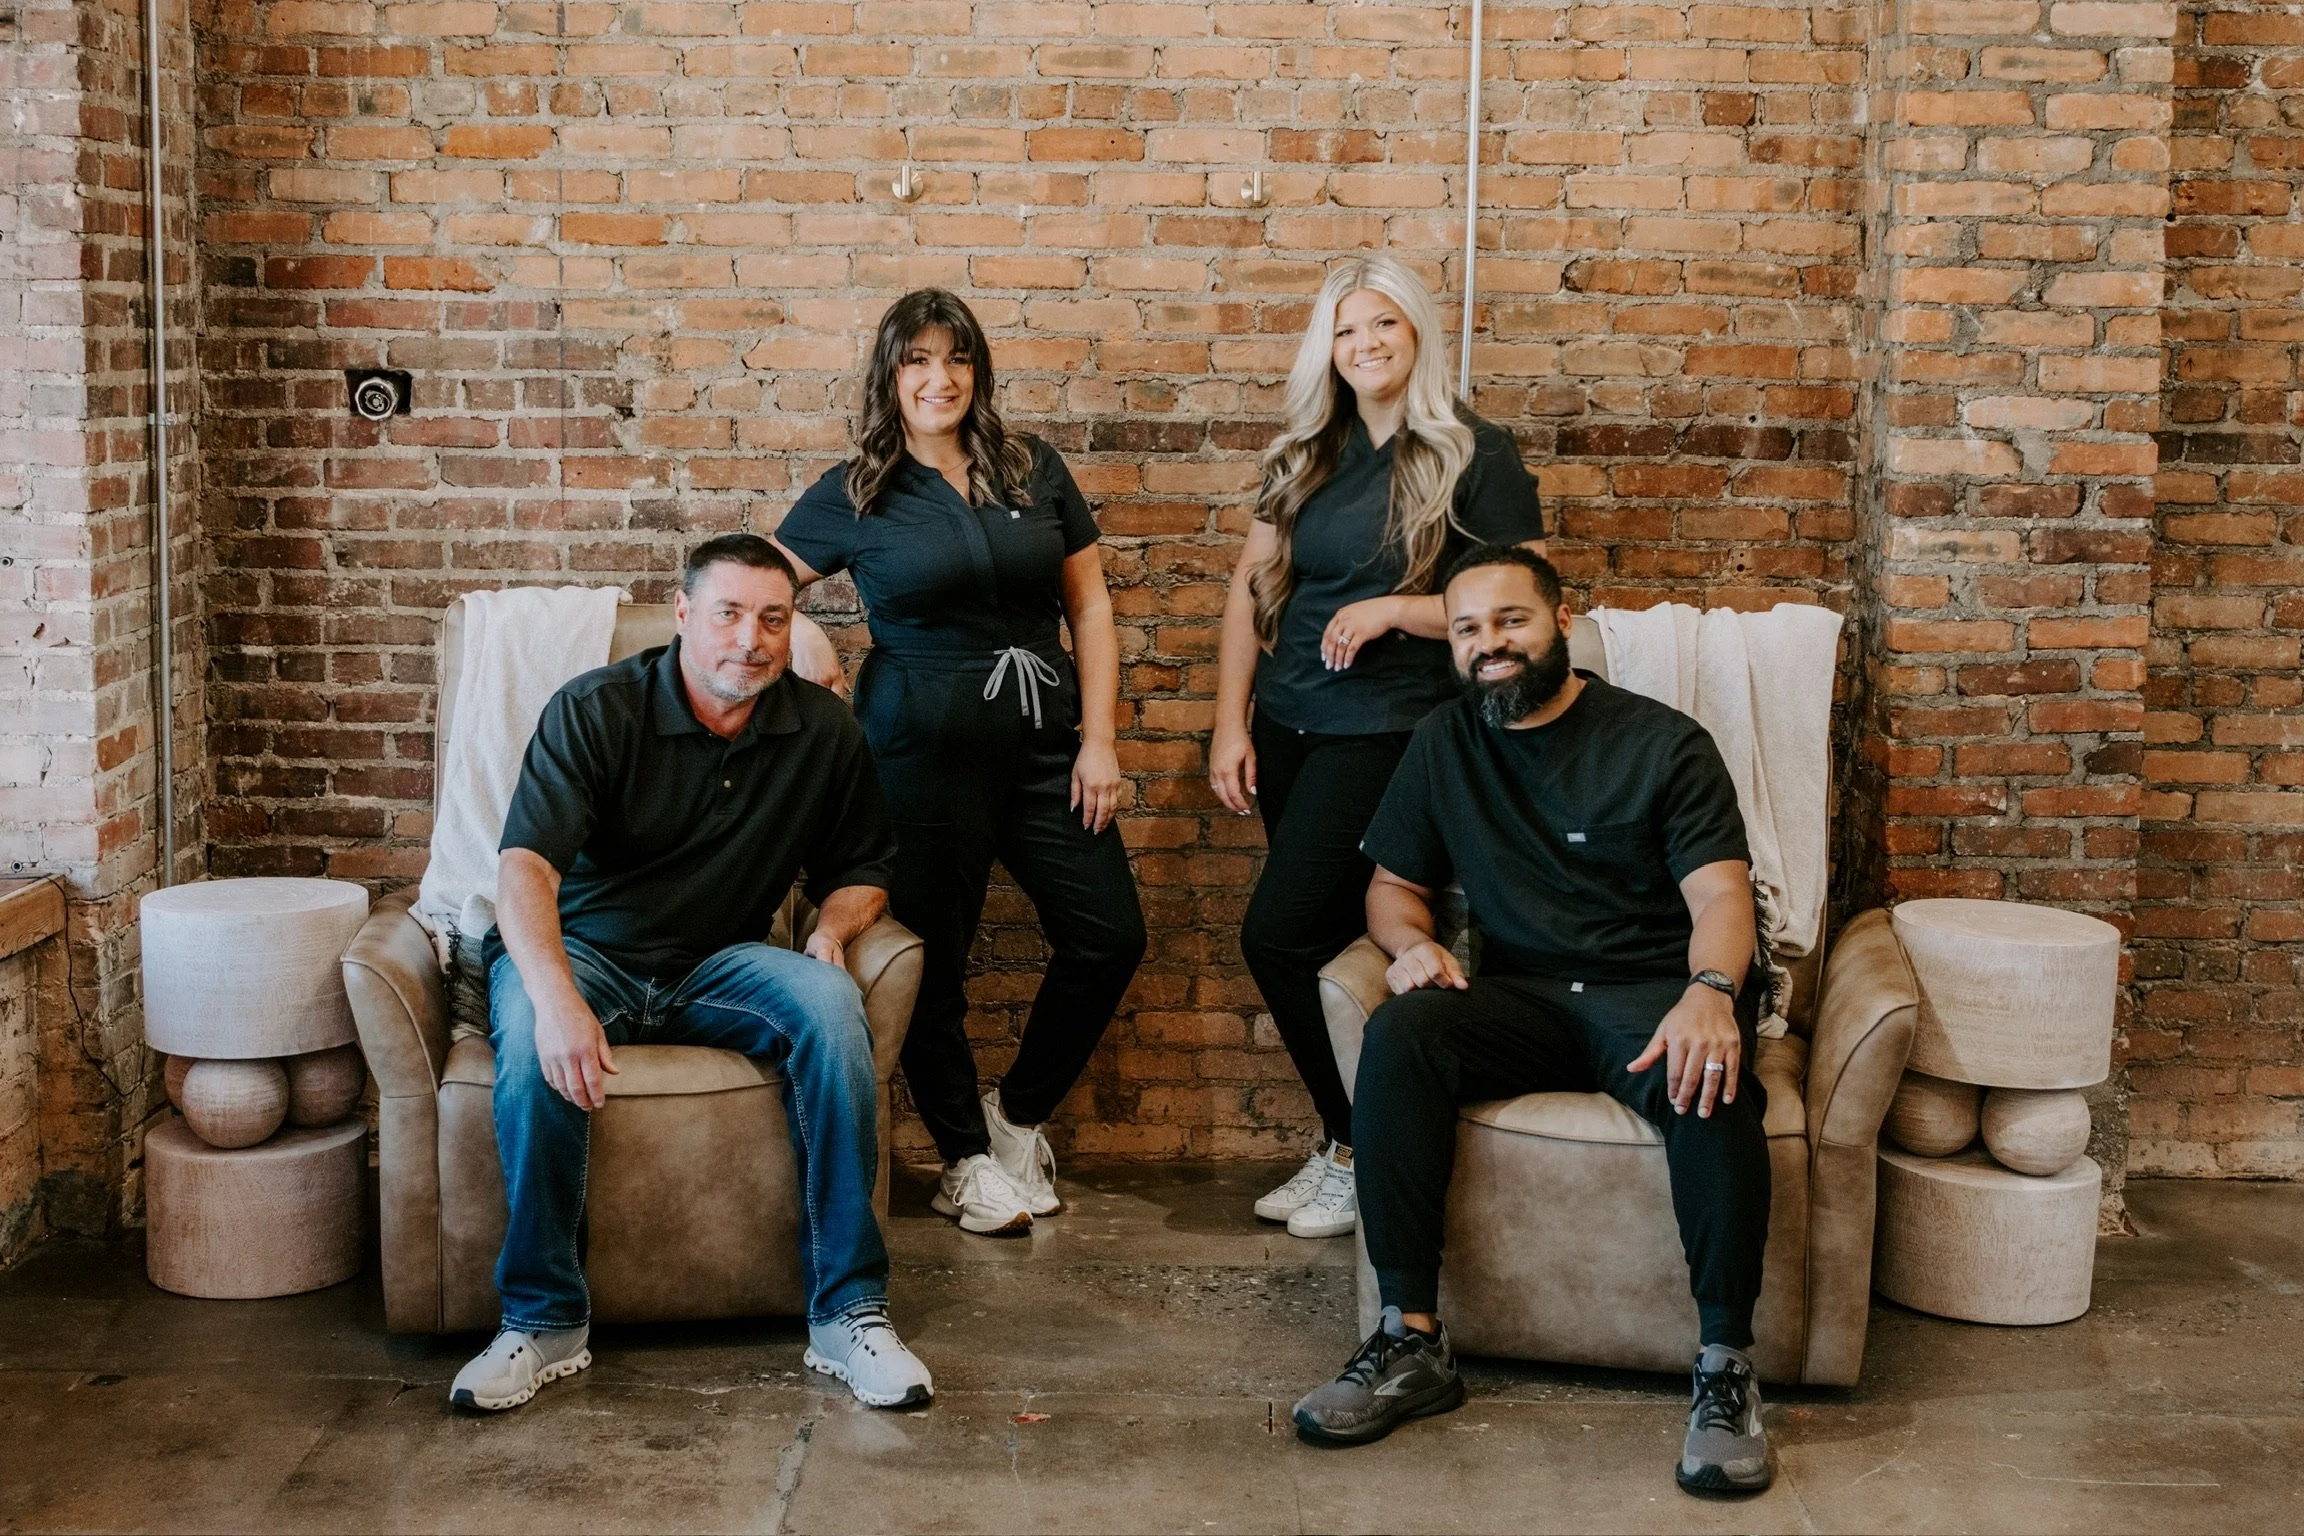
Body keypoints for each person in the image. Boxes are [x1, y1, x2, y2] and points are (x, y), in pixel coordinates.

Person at [1289, 544, 1776, 1497]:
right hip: (1524, 996)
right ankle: (1409, 1343)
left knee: (1707, 1078)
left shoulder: (1661, 741)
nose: (1489, 645)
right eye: (1468, 630)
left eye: (1510, 621)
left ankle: (1725, 1366)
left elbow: (1722, 894)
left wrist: (1713, 990)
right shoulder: (1444, 741)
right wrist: (1410, 945)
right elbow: (1393, 889)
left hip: (1652, 990)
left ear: (1560, 622)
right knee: (1402, 1032)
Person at [450, 534, 933, 1414]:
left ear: (791, 631)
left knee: (830, 1007)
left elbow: (864, 867)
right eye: (729, 614)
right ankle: (544, 1319)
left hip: (720, 962)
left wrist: (831, 930)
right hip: (586, 950)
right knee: (529, 1033)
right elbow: (524, 869)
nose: (749, 639)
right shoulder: (596, 709)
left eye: (772, 620)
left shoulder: (822, 731)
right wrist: (557, 1002)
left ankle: (848, 1313)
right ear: (682, 616)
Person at [770, 289, 1146, 1238]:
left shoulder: (1035, 467)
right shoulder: (857, 488)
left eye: (957, 359)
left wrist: (1099, 739)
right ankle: (963, 1161)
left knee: (1109, 935)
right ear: (889, 377)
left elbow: (1090, 608)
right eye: (917, 362)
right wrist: (805, 633)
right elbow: (752, 573)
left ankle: (1014, 1119)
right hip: (919, 751)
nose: (939, 380)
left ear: (978, 370)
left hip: (1043, 745)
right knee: (934, 961)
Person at [1209, 255, 1546, 1240]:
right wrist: (1232, 720)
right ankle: (1359, 1137)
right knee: (1320, 942)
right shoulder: (1308, 451)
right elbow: (1248, 590)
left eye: (1384, 326)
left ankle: (1359, 1143)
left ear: (1417, 335)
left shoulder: (1474, 450)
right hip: (1291, 725)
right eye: (1348, 330)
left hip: (1393, 731)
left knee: (1277, 931)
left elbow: (1525, 604)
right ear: (1331, 348)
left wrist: (1400, 608)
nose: (1366, 345)